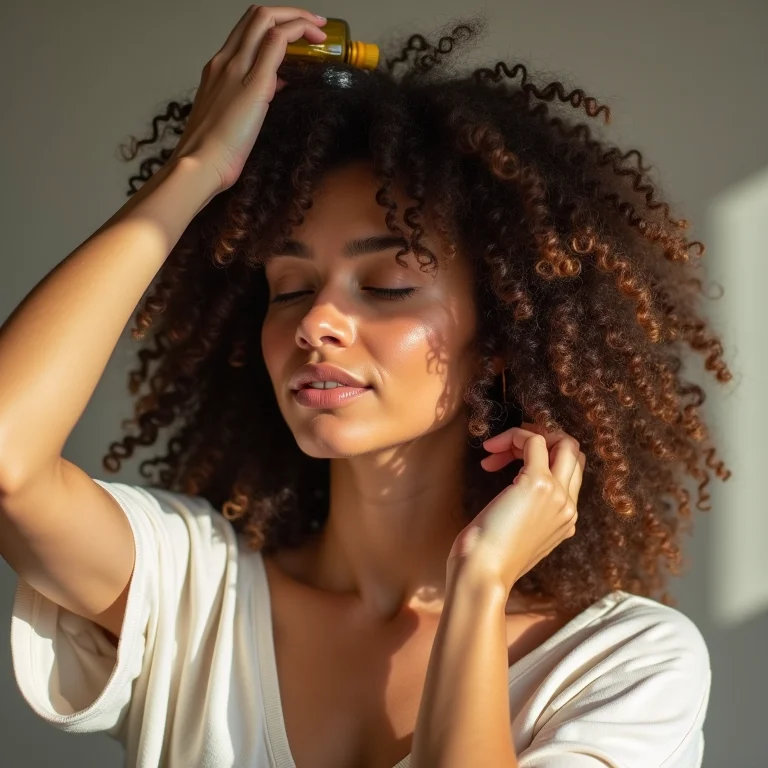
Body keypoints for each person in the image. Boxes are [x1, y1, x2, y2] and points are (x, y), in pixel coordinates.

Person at [0, 5, 732, 767]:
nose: (318, 321)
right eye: (289, 288)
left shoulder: (623, 665)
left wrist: (479, 586)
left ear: (501, 343)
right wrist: (194, 172)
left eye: (385, 286)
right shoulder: (193, 591)